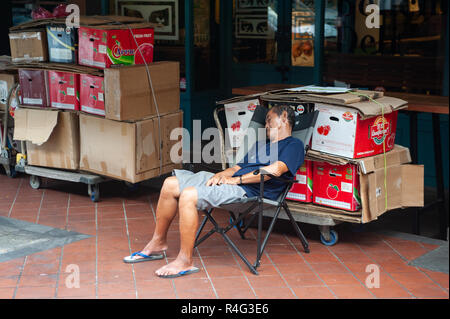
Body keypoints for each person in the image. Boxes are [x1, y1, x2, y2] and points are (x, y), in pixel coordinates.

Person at [123, 105, 305, 278]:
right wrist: (219, 176)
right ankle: (158, 242)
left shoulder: (293, 145)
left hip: (249, 191)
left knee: (189, 195)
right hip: (233, 182)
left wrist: (234, 181)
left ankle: (185, 261)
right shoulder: (259, 145)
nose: (265, 125)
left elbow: (274, 171)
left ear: (284, 118)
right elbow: (235, 168)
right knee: (171, 183)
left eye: (269, 119)